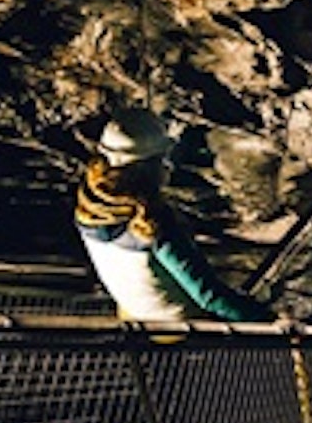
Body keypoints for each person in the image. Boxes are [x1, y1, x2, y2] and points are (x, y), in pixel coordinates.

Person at [74, 108, 273, 323]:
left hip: (135, 317)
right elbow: (209, 297)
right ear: (149, 166)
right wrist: (268, 320)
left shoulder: (89, 210)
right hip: (179, 326)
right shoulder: (152, 224)